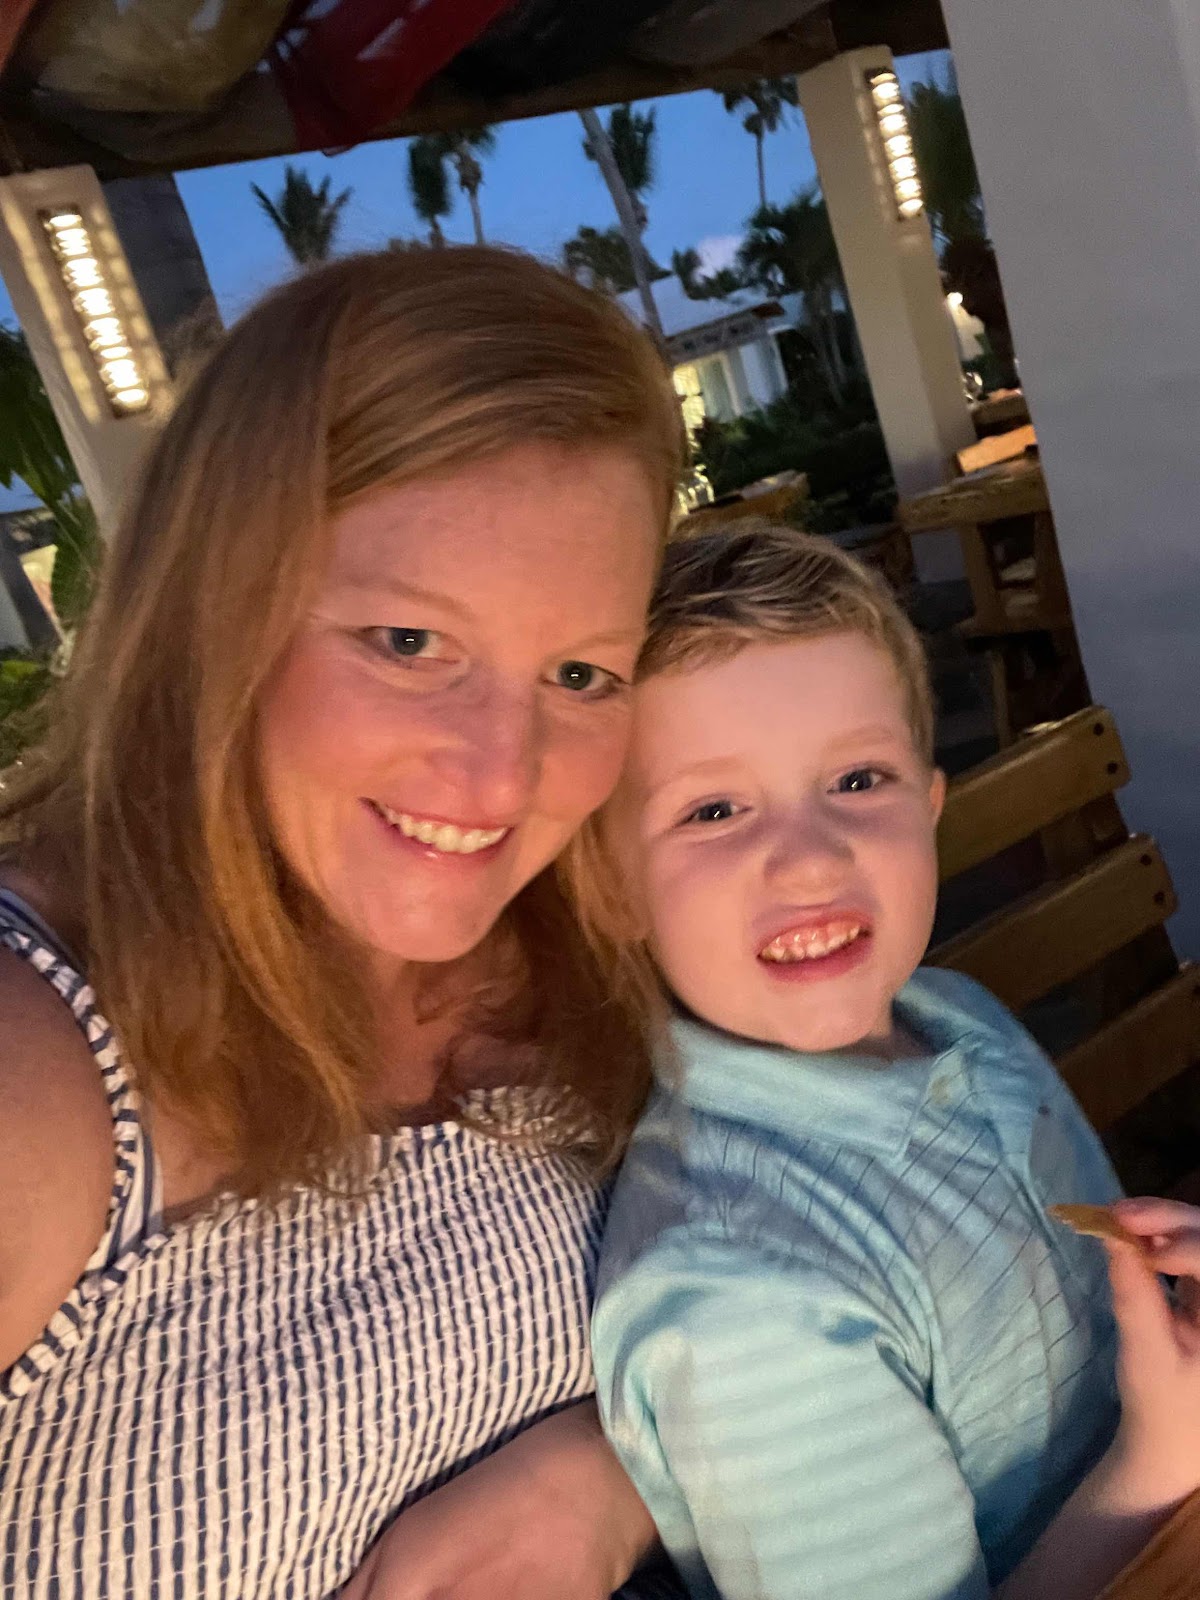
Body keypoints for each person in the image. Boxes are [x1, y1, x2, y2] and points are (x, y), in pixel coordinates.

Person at [0, 246, 688, 1599]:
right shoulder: (41, 1058)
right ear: (214, 613)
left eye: (579, 672)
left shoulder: (588, 938)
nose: (501, 774)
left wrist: (617, 1474)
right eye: (409, 644)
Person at [581, 522, 1153, 1600]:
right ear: (610, 890)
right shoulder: (749, 1300)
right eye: (714, 809)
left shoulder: (959, 1019)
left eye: (857, 778)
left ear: (929, 810)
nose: (809, 858)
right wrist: (1158, 1463)